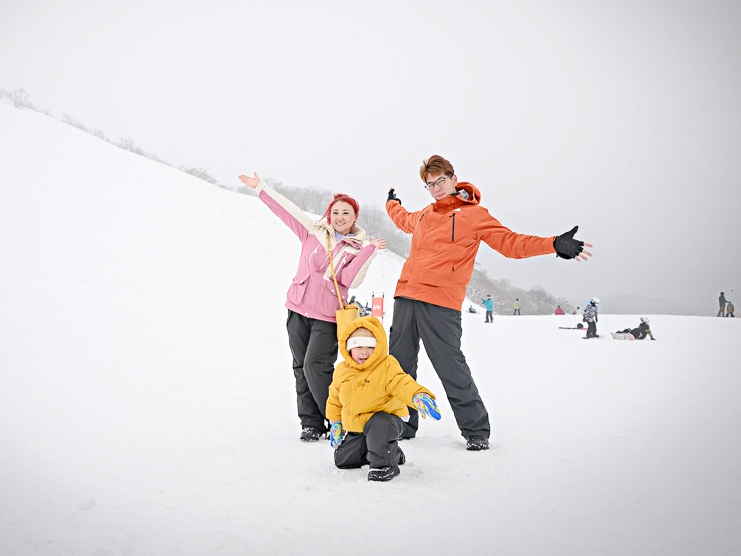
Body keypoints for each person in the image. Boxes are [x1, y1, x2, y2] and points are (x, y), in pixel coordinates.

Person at [385, 154, 591, 451]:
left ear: (454, 179)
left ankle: (475, 430)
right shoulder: (423, 215)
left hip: (441, 301)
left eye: (441, 181)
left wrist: (553, 244)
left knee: (450, 365)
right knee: (400, 364)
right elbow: (401, 219)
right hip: (406, 296)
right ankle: (403, 423)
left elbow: (511, 243)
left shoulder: (474, 215)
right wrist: (392, 203)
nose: (437, 188)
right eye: (430, 185)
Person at [238, 172, 386, 442]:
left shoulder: (357, 248)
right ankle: (311, 424)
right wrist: (261, 187)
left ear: (355, 218)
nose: (340, 216)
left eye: (346, 213)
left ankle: (337, 419)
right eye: (336, 211)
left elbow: (349, 280)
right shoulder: (313, 231)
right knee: (300, 366)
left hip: (327, 317)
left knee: (315, 366)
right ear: (329, 215)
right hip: (297, 308)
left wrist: (367, 252)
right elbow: (286, 210)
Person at [327, 316, 441, 482]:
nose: (364, 352)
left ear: (378, 347)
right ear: (348, 348)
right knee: (344, 461)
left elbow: (401, 382)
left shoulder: (387, 365)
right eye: (358, 346)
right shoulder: (342, 370)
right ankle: (389, 450)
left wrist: (417, 395)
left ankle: (385, 464)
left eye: (370, 346)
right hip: (358, 424)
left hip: (387, 421)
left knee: (379, 424)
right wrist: (336, 422)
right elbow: (335, 398)